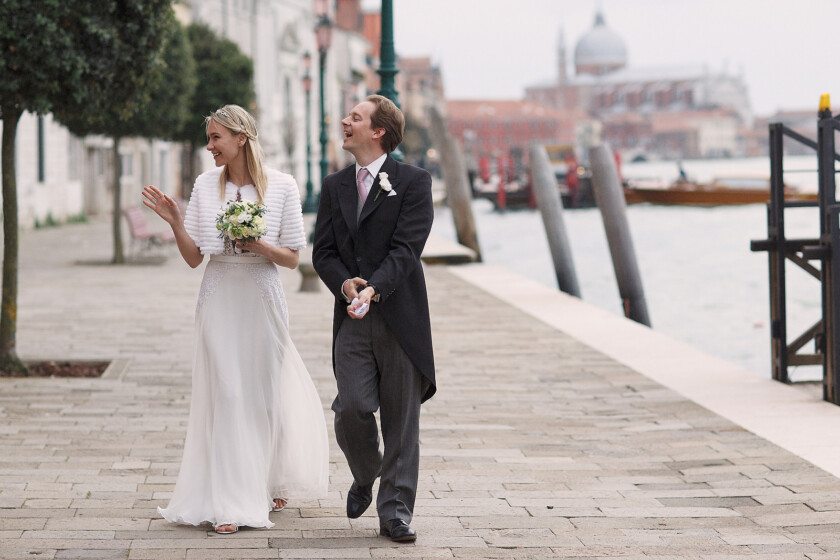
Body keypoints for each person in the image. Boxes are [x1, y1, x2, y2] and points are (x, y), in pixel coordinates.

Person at [143, 104, 328, 535]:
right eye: (209, 139)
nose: (209, 147)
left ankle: (266, 479)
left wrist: (256, 244)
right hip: (219, 294)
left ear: (240, 138)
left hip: (262, 296)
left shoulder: (282, 186)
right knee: (226, 393)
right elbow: (193, 259)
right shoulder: (205, 185)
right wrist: (174, 221)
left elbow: (294, 258)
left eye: (215, 138)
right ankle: (231, 502)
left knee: (262, 395)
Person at [312, 94, 436, 543]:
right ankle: (366, 472)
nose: (345, 121)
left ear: (378, 131)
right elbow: (322, 252)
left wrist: (374, 287)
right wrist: (346, 284)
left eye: (356, 117)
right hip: (352, 319)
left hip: (401, 318)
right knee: (351, 409)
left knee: (402, 421)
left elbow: (407, 250)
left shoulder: (414, 182)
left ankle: (395, 514)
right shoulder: (334, 186)